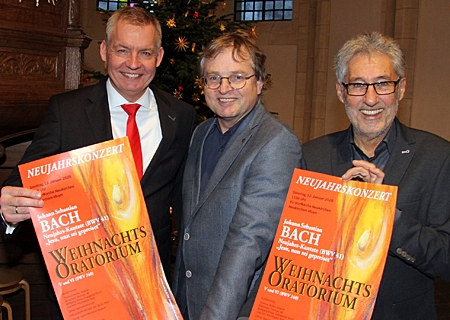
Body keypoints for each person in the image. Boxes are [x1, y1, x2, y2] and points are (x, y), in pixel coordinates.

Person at [0, 6, 195, 318]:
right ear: (105, 51)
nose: (133, 64)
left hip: (150, 289)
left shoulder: (181, 117)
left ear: (159, 56)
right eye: (122, 50)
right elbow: (24, 180)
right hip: (84, 289)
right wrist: (8, 211)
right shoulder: (68, 112)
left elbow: (184, 203)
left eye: (144, 52)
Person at [301, 31, 450, 319]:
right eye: (358, 85)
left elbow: (446, 261)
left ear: (401, 88)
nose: (370, 99)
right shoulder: (312, 157)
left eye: (383, 84)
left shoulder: (437, 157)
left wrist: (387, 217)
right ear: (341, 92)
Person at [172, 30, 302, 320]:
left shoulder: (275, 143)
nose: (224, 87)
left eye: (237, 77)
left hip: (234, 309)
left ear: (259, 82)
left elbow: (248, 243)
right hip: (187, 303)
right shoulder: (201, 134)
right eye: (213, 78)